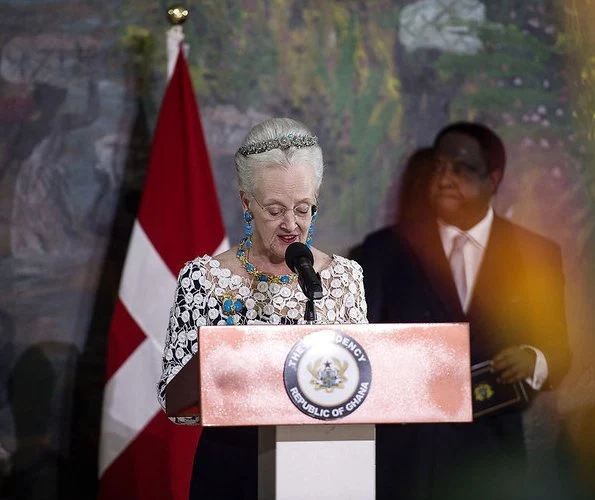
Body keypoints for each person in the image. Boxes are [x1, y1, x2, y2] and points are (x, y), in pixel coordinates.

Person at [357, 122, 571, 499]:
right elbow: (360, 349)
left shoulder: (536, 255)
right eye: (438, 168)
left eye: (461, 168)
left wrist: (534, 360)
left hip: (490, 461)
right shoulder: (383, 251)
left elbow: (558, 352)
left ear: (493, 179)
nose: (444, 178)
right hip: (404, 462)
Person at [157, 117, 368, 499]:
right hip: (233, 467)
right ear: (246, 203)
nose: (291, 225)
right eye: (274, 210)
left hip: (324, 468)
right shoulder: (204, 279)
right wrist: (224, 351)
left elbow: (362, 388)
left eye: (304, 209)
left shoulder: (344, 278)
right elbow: (175, 404)